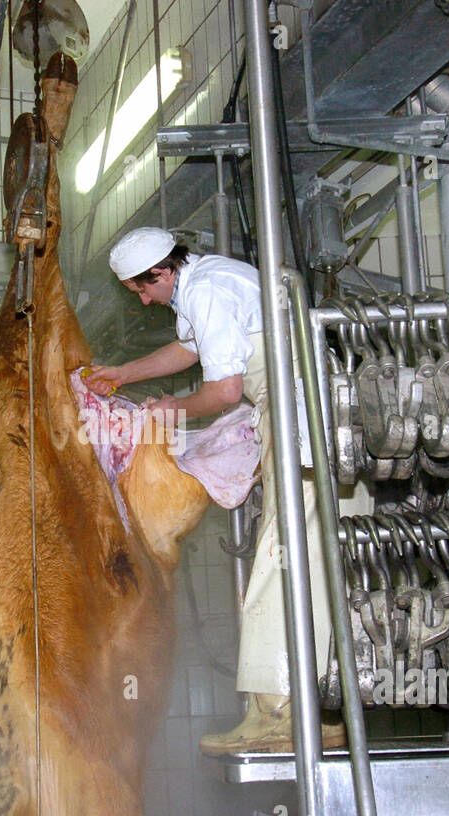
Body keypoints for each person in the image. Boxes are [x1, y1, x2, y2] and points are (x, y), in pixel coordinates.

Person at [85, 227, 372, 755]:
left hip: (302, 420)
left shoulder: (206, 289)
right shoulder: (209, 279)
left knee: (282, 558)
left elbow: (224, 390)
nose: (143, 301)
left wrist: (172, 409)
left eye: (142, 289)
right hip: (320, 415)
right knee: (326, 562)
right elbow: (190, 349)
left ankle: (278, 713)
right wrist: (122, 375)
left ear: (162, 271)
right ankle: (323, 710)